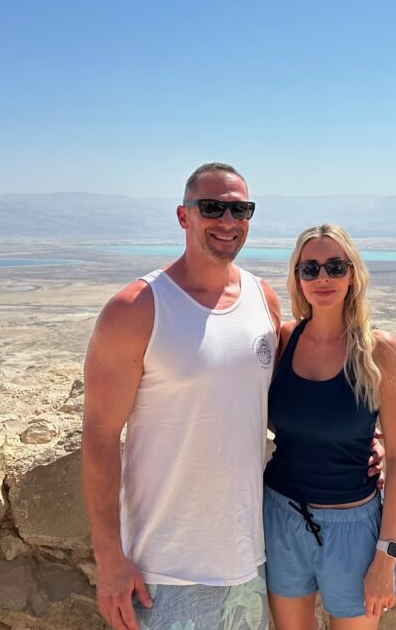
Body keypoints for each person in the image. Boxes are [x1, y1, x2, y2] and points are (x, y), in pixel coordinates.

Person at [82, 162, 280, 630]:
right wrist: (109, 560)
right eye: (212, 207)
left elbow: (281, 405)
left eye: (240, 209)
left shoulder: (262, 300)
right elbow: (100, 437)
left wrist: (366, 440)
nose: (228, 221)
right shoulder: (137, 308)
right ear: (183, 215)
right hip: (163, 571)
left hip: (248, 561)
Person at [262, 224, 396, 630]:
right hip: (281, 518)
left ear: (353, 274)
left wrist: (387, 554)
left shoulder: (379, 350)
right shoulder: (285, 340)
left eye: (335, 266)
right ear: (297, 278)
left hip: (354, 531)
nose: (322, 278)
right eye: (309, 269)